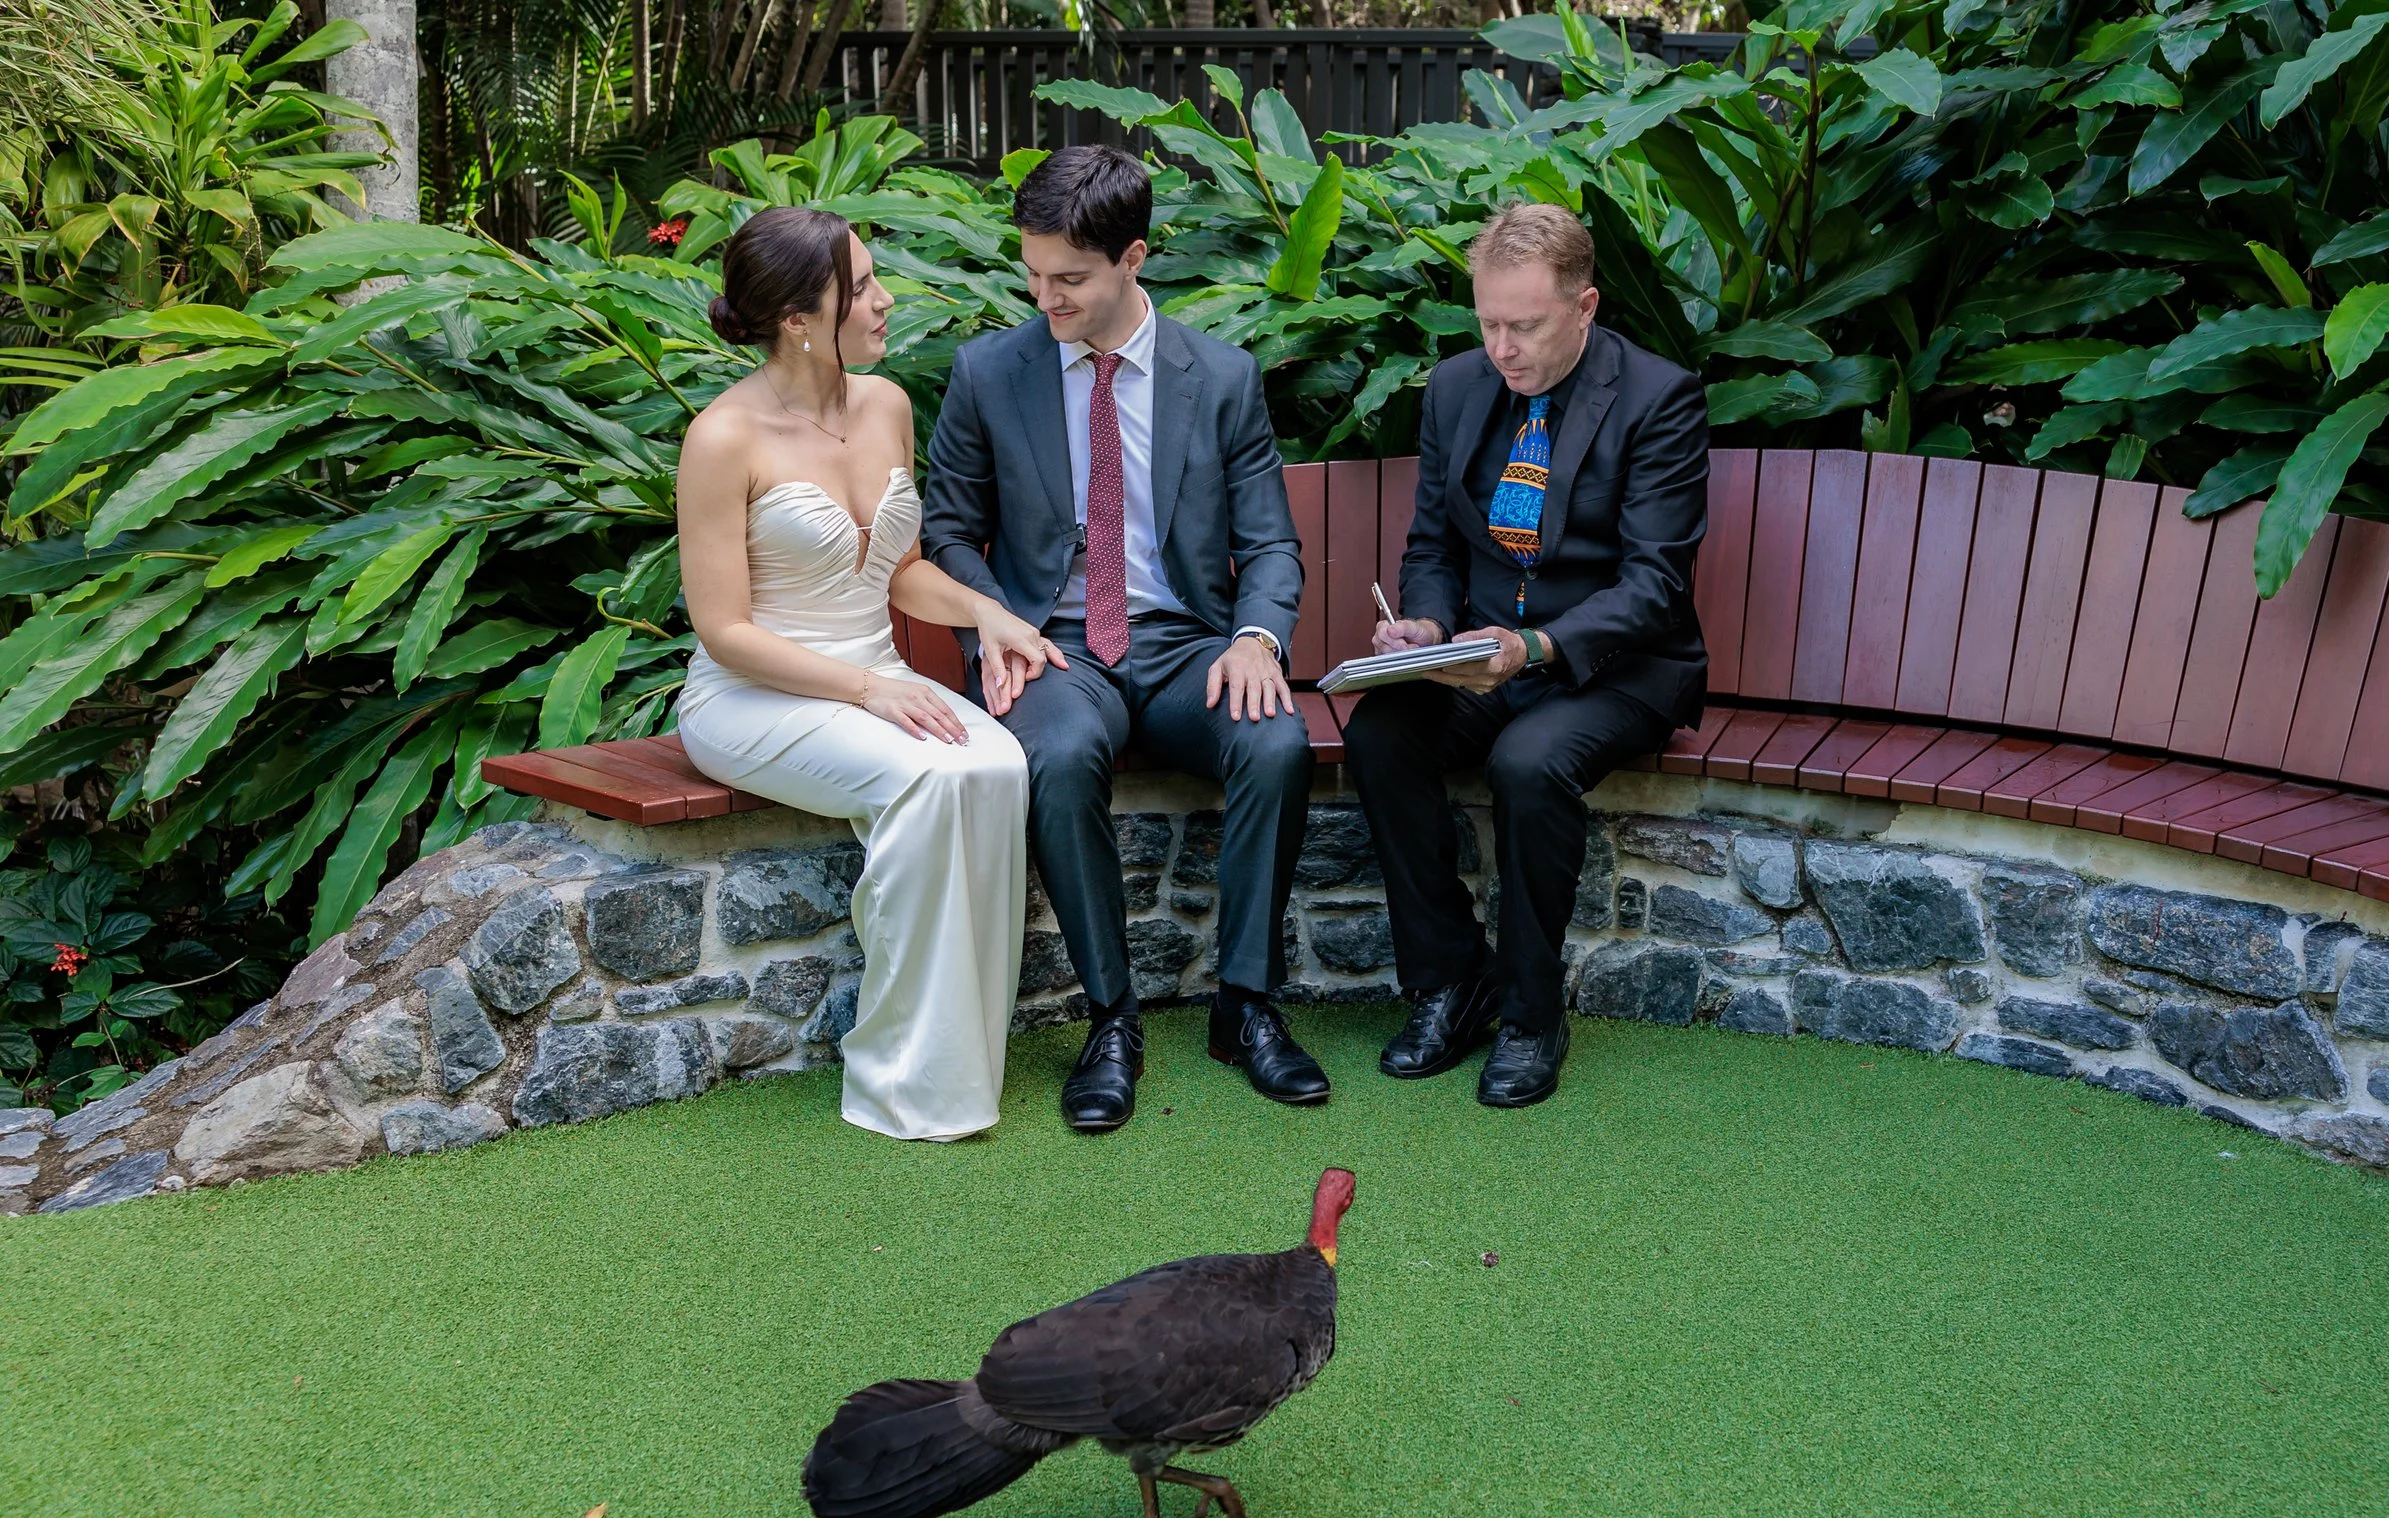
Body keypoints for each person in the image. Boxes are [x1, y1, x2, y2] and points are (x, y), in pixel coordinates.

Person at [921, 145, 1329, 1135]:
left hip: (1187, 639)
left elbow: (1270, 544)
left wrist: (1256, 637)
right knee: (1054, 757)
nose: (1044, 295)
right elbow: (943, 530)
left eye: (1070, 278)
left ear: (1132, 258)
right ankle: (1111, 1021)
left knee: (1273, 743)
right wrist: (996, 617)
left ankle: (1246, 1005)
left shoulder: (1222, 378)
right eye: (1032, 273)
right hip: (1051, 640)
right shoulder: (988, 373)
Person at [674, 206, 1062, 1142]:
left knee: (998, 763)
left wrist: (989, 612)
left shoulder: (885, 404)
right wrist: (867, 689)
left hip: (876, 675)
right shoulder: (721, 439)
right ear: (800, 320)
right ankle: (896, 1075)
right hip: (757, 695)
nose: (886, 300)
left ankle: (958, 1064)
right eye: (862, 287)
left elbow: (900, 572)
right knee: (931, 775)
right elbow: (723, 629)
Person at [1345, 202, 1711, 1109]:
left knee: (1529, 761)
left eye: (1526, 325)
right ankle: (1450, 980)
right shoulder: (1457, 387)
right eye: (1489, 322)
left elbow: (1655, 584)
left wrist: (1536, 646)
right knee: (1383, 732)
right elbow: (1430, 545)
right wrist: (1425, 629)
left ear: (1584, 307)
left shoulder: (1659, 398)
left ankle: (1530, 1012)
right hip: (1479, 653)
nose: (1502, 348)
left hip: (1613, 663)